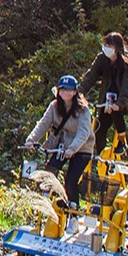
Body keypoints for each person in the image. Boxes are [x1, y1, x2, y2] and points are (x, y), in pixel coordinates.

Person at [23, 74, 96, 205]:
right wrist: (31, 139)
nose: (65, 93)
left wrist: (73, 149)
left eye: (69, 90)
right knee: (49, 173)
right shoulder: (54, 106)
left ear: (75, 92)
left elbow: (83, 133)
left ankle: (73, 214)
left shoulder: (83, 110)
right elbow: (43, 124)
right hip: (62, 147)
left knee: (71, 181)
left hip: (81, 149)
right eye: (62, 89)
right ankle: (47, 205)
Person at [79, 31, 128, 154]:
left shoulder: (127, 62)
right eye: (105, 45)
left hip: (121, 99)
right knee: (99, 129)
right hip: (106, 98)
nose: (107, 48)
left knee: (117, 114)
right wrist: (80, 93)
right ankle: (100, 157)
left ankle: (122, 142)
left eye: (110, 46)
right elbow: (90, 76)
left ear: (117, 47)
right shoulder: (102, 59)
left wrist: (120, 103)